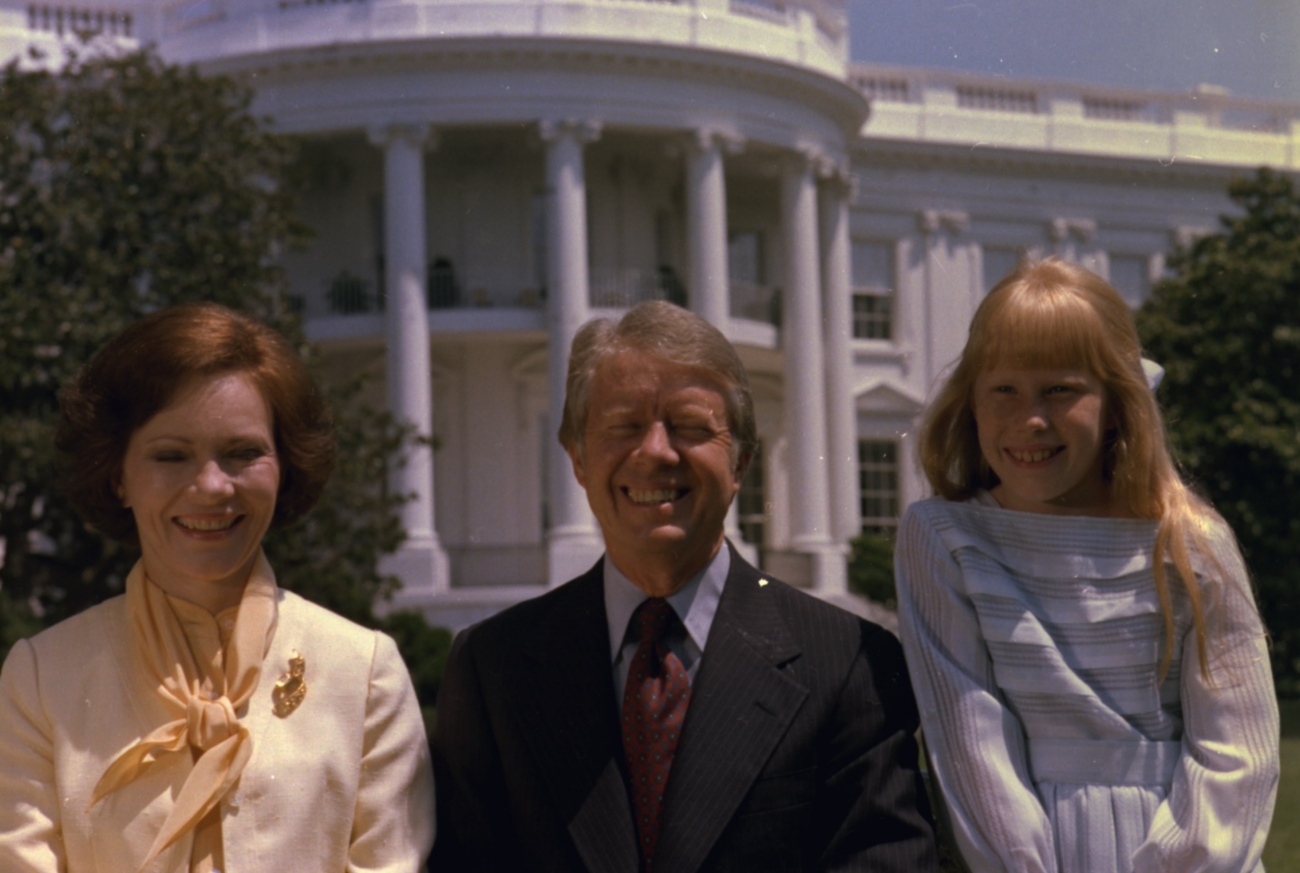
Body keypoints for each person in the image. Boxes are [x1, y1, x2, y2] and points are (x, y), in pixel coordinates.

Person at [431, 300, 937, 872]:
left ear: (741, 461)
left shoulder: (848, 664)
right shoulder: (492, 668)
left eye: (692, 428)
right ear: (576, 457)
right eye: (623, 426)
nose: (655, 452)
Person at [0, 303, 435, 873]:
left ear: (285, 466)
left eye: (242, 453)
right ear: (117, 476)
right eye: (171, 456)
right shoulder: (40, 678)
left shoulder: (366, 674)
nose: (210, 486)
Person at [894, 258, 1279, 873]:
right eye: (1004, 390)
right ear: (970, 402)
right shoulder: (944, 538)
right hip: (1035, 851)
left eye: (1060, 390)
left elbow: (1238, 750)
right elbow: (969, 745)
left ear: (1118, 401)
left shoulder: (1190, 541)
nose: (1031, 420)